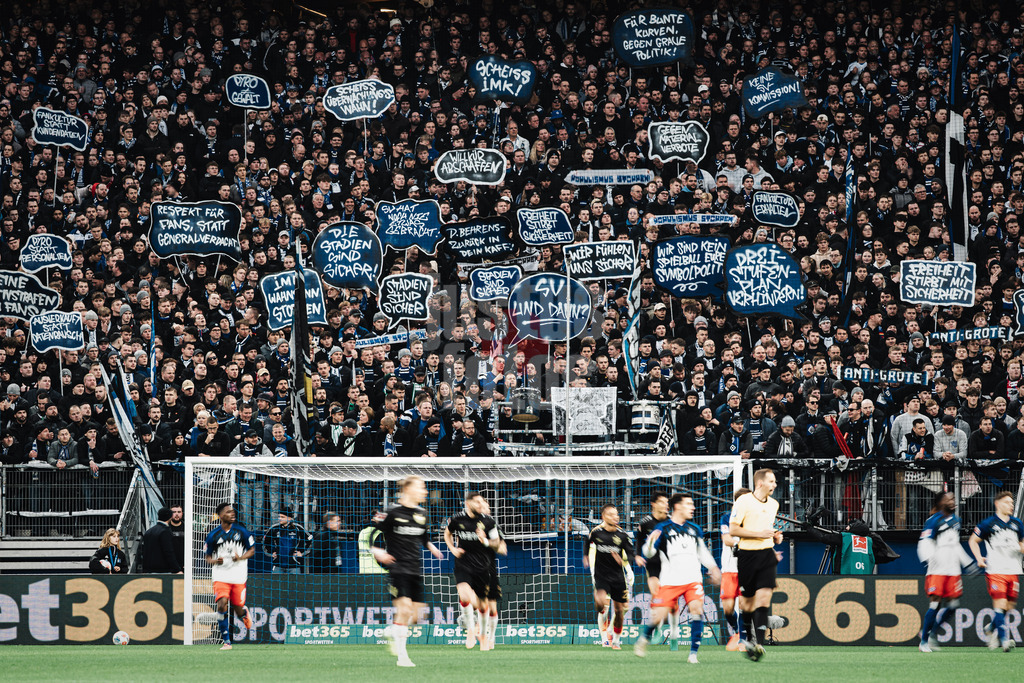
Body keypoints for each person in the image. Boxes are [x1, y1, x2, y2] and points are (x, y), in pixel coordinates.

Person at [634, 493, 722, 664]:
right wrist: (650, 543)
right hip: (670, 580)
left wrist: (713, 567)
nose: (693, 507)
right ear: (678, 507)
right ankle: (644, 639)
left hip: (693, 579)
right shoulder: (662, 528)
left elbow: (702, 552)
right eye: (689, 504)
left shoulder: (694, 528)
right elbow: (648, 553)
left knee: (696, 610)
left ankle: (693, 654)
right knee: (658, 616)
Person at [372, 476, 444, 668]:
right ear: (408, 489)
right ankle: (402, 657)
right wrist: (376, 550)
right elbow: (373, 533)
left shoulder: (422, 513)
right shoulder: (391, 511)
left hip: (415, 569)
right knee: (403, 610)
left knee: (416, 617)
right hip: (397, 568)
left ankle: (392, 630)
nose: (425, 491)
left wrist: (432, 547)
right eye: (421, 487)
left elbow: (423, 537)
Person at [730, 468, 783, 661]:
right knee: (747, 602)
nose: (774, 485)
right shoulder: (743, 501)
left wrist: (775, 537)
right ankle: (749, 639)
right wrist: (759, 534)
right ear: (760, 483)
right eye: (771, 481)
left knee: (763, 599)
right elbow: (734, 529)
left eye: (775, 481)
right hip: (747, 556)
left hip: (767, 555)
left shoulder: (774, 504)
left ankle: (759, 645)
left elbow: (766, 529)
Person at [917, 491, 973, 653]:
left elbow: (955, 545)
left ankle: (933, 633)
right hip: (937, 571)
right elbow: (925, 542)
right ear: (941, 502)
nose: (953, 501)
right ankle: (924, 642)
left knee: (953, 605)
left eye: (954, 498)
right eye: (949, 499)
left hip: (953, 571)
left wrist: (967, 563)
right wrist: (929, 559)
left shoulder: (956, 521)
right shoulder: (933, 521)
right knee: (935, 603)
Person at [444, 491, 501, 649]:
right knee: (462, 591)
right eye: (477, 502)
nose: (481, 505)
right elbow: (447, 533)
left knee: (485, 605)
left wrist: (486, 541)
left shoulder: (488, 522)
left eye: (482, 502)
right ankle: (470, 630)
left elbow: (499, 545)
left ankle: (485, 635)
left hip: (484, 566)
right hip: (463, 563)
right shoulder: (457, 520)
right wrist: (452, 549)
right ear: (468, 504)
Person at [968, 491, 1024, 652]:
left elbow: (1022, 545)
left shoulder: (1017, 523)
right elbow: (973, 540)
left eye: (1012, 502)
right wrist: (979, 558)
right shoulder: (988, 523)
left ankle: (992, 628)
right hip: (996, 570)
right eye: (1007, 502)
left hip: (1013, 570)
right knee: (999, 605)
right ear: (998, 504)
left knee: (1009, 607)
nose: (1011, 505)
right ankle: (1004, 640)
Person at [203, 502, 256, 651]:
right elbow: (207, 557)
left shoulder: (241, 531)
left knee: (237, 609)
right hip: (220, 574)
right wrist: (214, 560)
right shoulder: (213, 535)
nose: (232, 514)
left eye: (233, 512)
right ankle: (226, 641)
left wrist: (241, 557)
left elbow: (252, 550)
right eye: (228, 512)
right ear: (220, 516)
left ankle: (244, 613)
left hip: (238, 575)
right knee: (222, 604)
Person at [582, 503, 633, 650]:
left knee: (623, 608)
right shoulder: (596, 532)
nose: (615, 517)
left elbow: (627, 553)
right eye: (611, 514)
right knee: (602, 606)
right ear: (604, 516)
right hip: (600, 574)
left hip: (618, 575)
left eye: (616, 514)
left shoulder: (621, 533)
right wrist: (587, 561)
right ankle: (604, 638)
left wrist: (627, 567)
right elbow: (588, 545)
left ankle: (612, 631)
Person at [634, 492, 676, 648]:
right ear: (654, 504)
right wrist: (637, 556)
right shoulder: (645, 523)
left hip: (669, 565)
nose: (666, 505)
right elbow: (638, 540)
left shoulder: (671, 523)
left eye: (667, 502)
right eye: (663, 502)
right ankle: (657, 627)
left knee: (671, 602)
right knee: (656, 594)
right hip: (652, 563)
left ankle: (673, 635)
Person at [720, 488, 751, 650]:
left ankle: (743, 641)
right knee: (727, 608)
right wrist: (742, 544)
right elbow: (726, 539)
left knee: (743, 605)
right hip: (729, 568)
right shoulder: (726, 518)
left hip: (746, 568)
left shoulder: (753, 520)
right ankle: (738, 632)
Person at [262, 507, 312, 574]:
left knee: (295, 584)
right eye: (279, 516)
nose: (279, 519)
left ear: (289, 518)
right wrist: (271, 553)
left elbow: (311, 540)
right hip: (278, 565)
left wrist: (302, 553)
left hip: (294, 565)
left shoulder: (298, 528)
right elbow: (264, 542)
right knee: (275, 584)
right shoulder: (274, 528)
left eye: (282, 517)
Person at [142, 507, 183, 573]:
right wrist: (177, 569)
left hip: (148, 570)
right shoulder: (165, 531)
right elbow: (168, 552)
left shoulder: (149, 531)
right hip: (162, 570)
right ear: (170, 517)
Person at [168, 504, 186, 571]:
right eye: (174, 512)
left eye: (179, 512)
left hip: (184, 564)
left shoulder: (187, 528)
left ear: (182, 513)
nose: (176, 514)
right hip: (169, 565)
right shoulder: (166, 528)